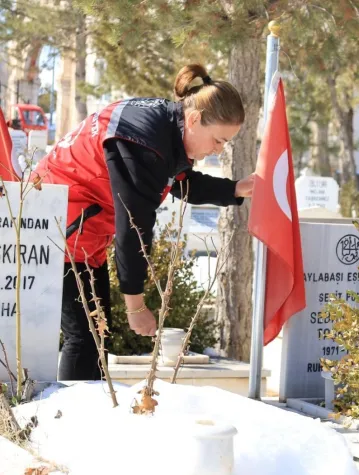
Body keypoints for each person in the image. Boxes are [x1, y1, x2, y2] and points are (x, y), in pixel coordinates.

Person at [35, 64, 255, 381]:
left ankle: (86, 413)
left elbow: (175, 180)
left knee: (95, 335)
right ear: (194, 120)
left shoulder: (166, 126)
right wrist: (136, 306)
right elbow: (134, 227)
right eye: (218, 140)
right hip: (59, 226)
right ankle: (73, 422)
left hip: (82, 226)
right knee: (85, 338)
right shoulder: (143, 142)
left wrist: (233, 189)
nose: (218, 150)